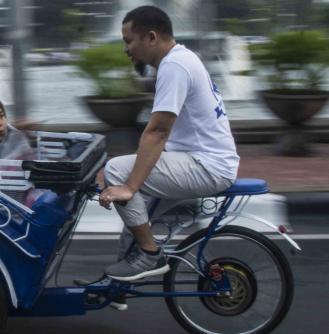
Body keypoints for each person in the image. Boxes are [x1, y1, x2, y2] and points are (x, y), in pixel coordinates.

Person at [88, 6, 239, 295]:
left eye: (129, 41)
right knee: (133, 207)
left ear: (152, 38)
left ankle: (149, 255)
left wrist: (130, 185)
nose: (125, 49)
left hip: (206, 167)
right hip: (202, 162)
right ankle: (117, 289)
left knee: (118, 172)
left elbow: (158, 132)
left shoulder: (174, 66)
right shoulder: (181, 59)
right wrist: (132, 188)